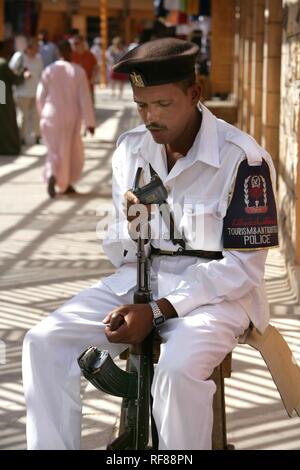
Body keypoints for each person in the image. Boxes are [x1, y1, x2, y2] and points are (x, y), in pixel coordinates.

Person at [22, 38, 278, 449]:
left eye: (162, 104)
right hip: (142, 280)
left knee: (177, 370)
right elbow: (120, 252)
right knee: (43, 341)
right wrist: (130, 223)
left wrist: (158, 311)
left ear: (195, 94)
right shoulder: (130, 151)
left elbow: (244, 269)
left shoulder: (242, 159)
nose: (150, 117)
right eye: (142, 105)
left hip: (221, 296)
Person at [36, 40, 95, 198]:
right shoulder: (77, 71)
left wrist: (42, 115)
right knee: (68, 151)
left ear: (57, 53)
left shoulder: (48, 70)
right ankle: (65, 183)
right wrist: (90, 122)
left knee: (53, 150)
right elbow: (84, 98)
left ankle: (52, 174)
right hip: (69, 117)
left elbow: (40, 96)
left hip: (50, 116)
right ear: (71, 52)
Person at [10, 38, 43, 145]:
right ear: (28, 49)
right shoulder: (19, 57)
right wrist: (22, 75)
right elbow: (10, 73)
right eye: (33, 49)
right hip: (22, 92)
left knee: (36, 116)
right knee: (22, 116)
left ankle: (37, 135)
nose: (34, 52)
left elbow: (41, 74)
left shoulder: (39, 58)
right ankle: (21, 137)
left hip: (36, 91)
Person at [0, 40, 30, 155]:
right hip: (2, 96)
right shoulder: (2, 64)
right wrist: (24, 75)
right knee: (6, 121)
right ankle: (8, 148)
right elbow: (14, 79)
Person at [71, 35, 98, 100]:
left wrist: (93, 78)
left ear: (83, 43)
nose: (75, 45)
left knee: (90, 107)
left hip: (88, 87)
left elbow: (96, 67)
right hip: (75, 87)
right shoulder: (71, 55)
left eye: (77, 43)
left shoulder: (90, 55)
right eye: (74, 43)